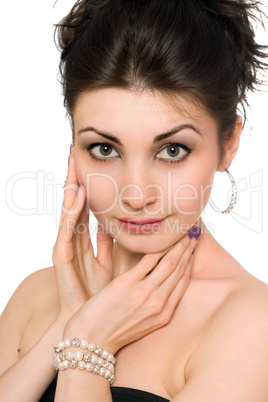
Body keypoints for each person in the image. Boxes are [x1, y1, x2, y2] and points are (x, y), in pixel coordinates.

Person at [1, 0, 268, 401]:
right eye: (105, 149)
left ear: (228, 145)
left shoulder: (252, 324)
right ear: (73, 147)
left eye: (173, 151)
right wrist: (67, 323)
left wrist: (87, 348)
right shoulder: (38, 293)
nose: (137, 195)